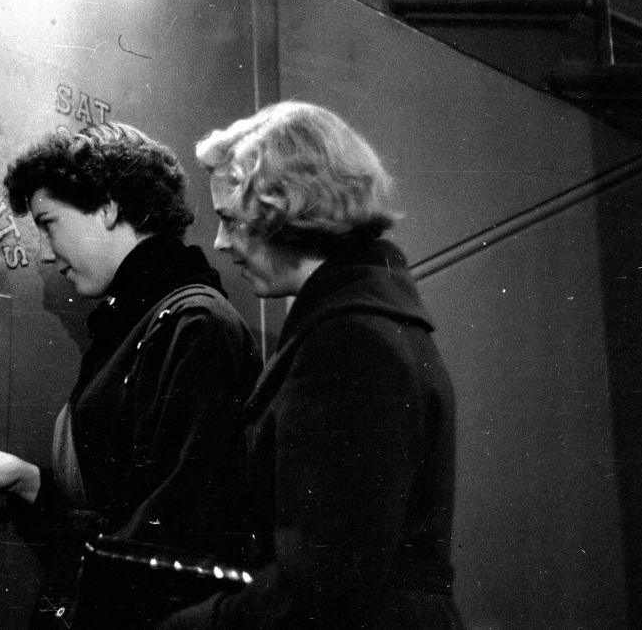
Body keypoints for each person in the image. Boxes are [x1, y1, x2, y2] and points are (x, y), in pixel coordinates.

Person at [0, 122, 262, 627]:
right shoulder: (146, 322)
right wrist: (29, 482)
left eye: (49, 223)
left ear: (108, 207)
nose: (45, 252)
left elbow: (175, 536)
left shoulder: (193, 325)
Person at [161, 101, 462, 628]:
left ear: (287, 209)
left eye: (231, 219)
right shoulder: (367, 320)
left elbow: (326, 578)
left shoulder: (350, 341)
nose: (219, 241)